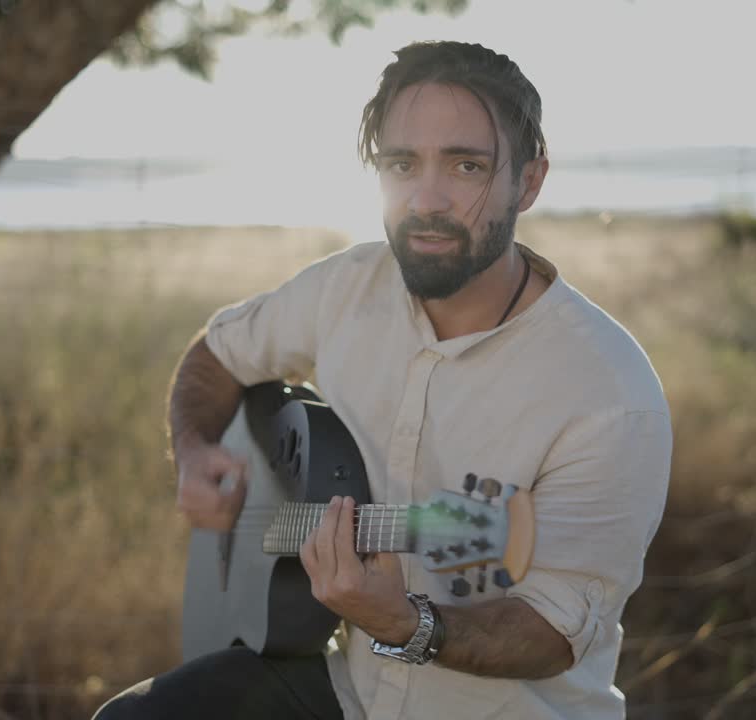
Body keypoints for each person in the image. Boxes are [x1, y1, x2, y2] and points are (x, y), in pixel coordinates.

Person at [94, 40, 672, 720]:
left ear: (530, 180)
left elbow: (552, 633)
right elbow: (217, 356)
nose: (426, 198)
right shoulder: (346, 286)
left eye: (466, 165)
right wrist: (193, 450)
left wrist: (404, 624)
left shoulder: (607, 394)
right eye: (402, 163)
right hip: (348, 691)